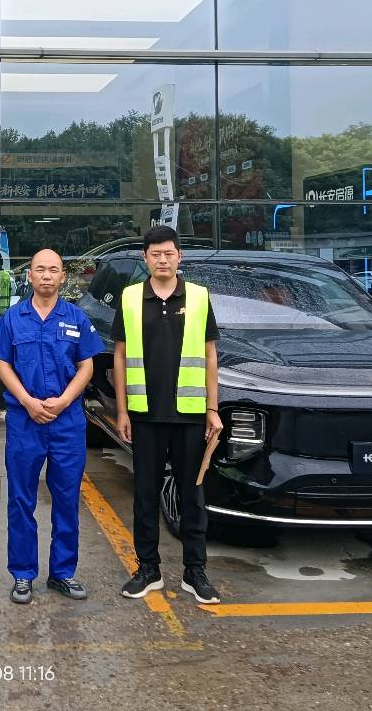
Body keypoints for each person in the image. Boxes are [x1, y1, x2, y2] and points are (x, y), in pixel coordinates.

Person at [112, 225, 223, 605]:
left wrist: (212, 408)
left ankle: (195, 571)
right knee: (145, 496)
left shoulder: (198, 297)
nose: (162, 260)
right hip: (144, 414)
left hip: (189, 415)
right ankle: (148, 569)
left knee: (193, 496)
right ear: (145, 258)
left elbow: (210, 355)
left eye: (169, 253)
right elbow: (120, 356)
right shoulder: (130, 297)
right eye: (155, 254)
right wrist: (122, 411)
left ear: (179, 257)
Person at [0, 248, 99, 605]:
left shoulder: (76, 317)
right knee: (21, 499)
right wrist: (28, 402)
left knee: (67, 498)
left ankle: (63, 573)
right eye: (40, 269)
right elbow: (3, 365)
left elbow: (87, 366)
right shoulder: (13, 318)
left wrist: (64, 401)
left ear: (63, 276)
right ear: (30, 275)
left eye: (53, 270)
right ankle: (23, 574)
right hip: (25, 421)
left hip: (67, 422)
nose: (47, 275)